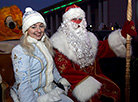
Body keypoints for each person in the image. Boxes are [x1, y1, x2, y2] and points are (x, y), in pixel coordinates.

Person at [50, 4, 137, 102]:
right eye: (74, 19)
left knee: (115, 90)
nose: (78, 22)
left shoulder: (89, 39)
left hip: (95, 77)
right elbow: (66, 71)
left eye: (80, 19)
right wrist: (91, 86)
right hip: (75, 83)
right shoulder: (58, 43)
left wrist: (123, 34)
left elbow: (104, 48)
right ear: (66, 23)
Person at [10, 7, 73, 102]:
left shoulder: (45, 44)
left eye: (41, 26)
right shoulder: (20, 50)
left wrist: (60, 80)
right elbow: (23, 83)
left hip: (50, 91)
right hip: (33, 95)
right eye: (33, 27)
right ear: (26, 29)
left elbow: (53, 68)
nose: (39, 30)